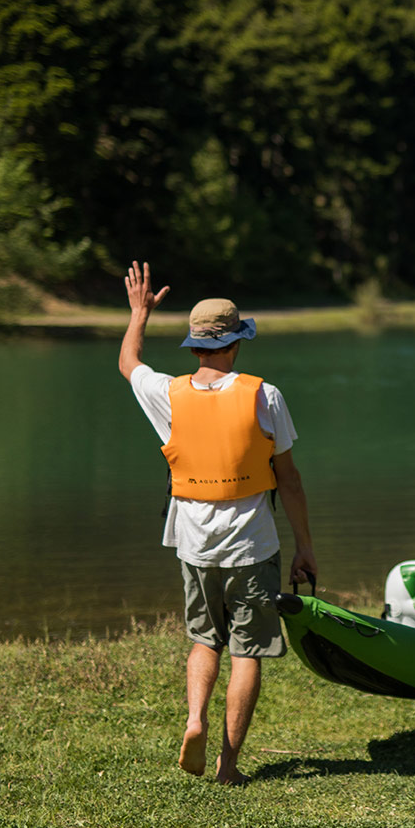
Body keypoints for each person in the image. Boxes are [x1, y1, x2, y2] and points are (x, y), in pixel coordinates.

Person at [118, 261, 317, 785]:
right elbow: (289, 481)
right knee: (248, 650)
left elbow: (128, 362)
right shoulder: (263, 395)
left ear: (194, 344)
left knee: (205, 639)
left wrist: (139, 313)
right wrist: (305, 547)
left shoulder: (166, 392)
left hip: (193, 541)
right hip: (253, 543)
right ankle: (228, 765)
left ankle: (192, 719)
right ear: (236, 343)